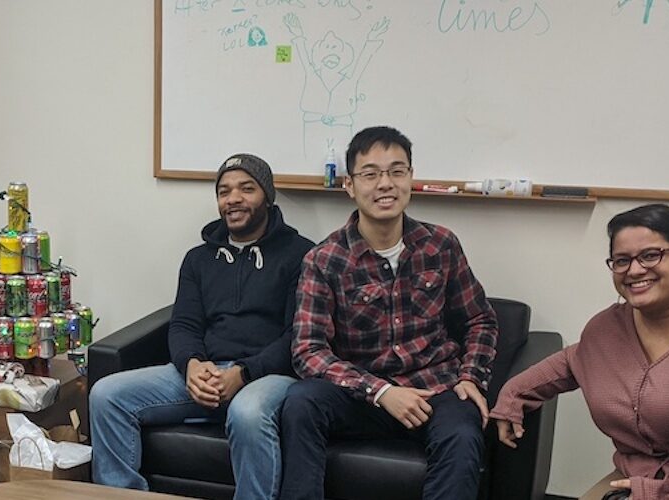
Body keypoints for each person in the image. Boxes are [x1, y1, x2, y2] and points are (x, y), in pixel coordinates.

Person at [281, 126, 498, 500]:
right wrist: (380, 391)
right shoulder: (324, 259)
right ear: (349, 185)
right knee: (301, 402)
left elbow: (481, 319)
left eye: (397, 171)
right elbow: (308, 351)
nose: (386, 184)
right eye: (371, 174)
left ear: (411, 178)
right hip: (362, 396)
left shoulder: (441, 245)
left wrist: (471, 377)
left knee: (464, 430)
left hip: (436, 389)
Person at [490, 203, 669, 499]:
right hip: (632, 481)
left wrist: (665, 490)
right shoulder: (606, 328)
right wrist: (512, 395)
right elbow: (571, 361)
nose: (635, 270)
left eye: (651, 255)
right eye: (622, 260)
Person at [90, 154, 314, 500]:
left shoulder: (302, 255)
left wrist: (243, 373)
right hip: (206, 371)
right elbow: (183, 324)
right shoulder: (199, 258)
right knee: (107, 395)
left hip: (268, 377)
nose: (233, 199)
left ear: (267, 196)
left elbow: (297, 337)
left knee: (248, 412)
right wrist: (192, 365)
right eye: (224, 191)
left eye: (246, 189)